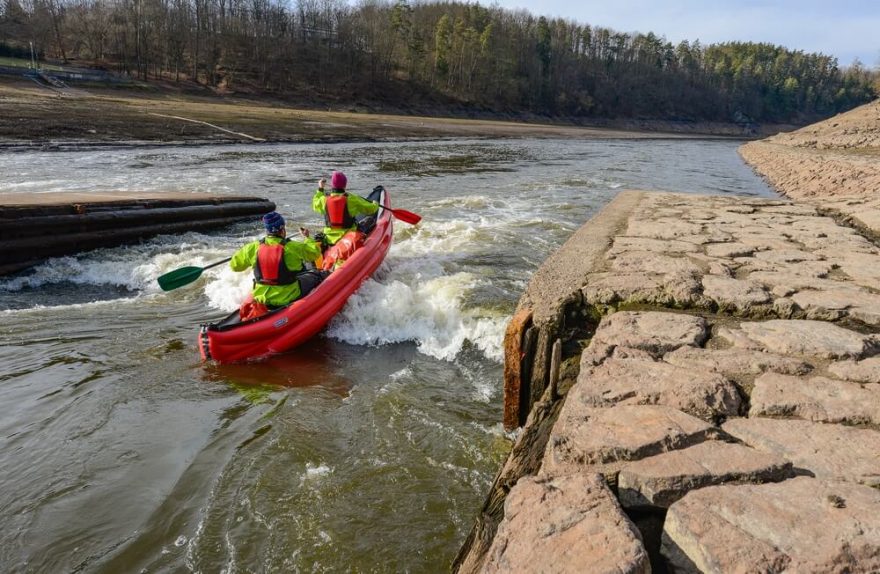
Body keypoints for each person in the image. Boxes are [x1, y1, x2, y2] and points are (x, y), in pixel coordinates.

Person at [230, 211, 324, 320]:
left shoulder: (253, 247)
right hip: (288, 296)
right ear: (282, 229)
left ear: (267, 230)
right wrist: (307, 238)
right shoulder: (292, 247)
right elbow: (314, 253)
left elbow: (234, 266)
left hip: (262, 298)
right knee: (318, 274)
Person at [311, 171, 380, 246]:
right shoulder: (352, 199)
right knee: (370, 219)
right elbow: (371, 209)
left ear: (332, 185)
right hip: (348, 238)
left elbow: (315, 204)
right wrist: (375, 203)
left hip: (329, 239)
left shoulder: (323, 199)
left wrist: (320, 188)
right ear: (345, 186)